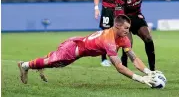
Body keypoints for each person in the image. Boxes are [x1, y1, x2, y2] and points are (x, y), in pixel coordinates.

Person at [18, 15, 157, 87]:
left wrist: (148, 72)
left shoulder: (123, 38)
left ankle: (40, 65)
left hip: (80, 45)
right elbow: (119, 67)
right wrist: (140, 79)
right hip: (73, 48)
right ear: (117, 26)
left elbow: (133, 58)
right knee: (54, 61)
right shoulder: (108, 39)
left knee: (55, 62)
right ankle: (24, 65)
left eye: (129, 28)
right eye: (126, 28)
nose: (128, 31)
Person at [115, 0, 165, 71]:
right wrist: (123, 27)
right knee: (128, 43)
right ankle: (124, 64)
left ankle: (153, 70)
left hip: (137, 16)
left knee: (148, 38)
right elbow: (119, 15)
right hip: (124, 18)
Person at [94, 0, 126, 66]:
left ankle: (122, 58)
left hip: (119, 9)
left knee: (121, 32)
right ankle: (103, 59)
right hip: (107, 9)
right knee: (106, 33)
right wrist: (96, 8)